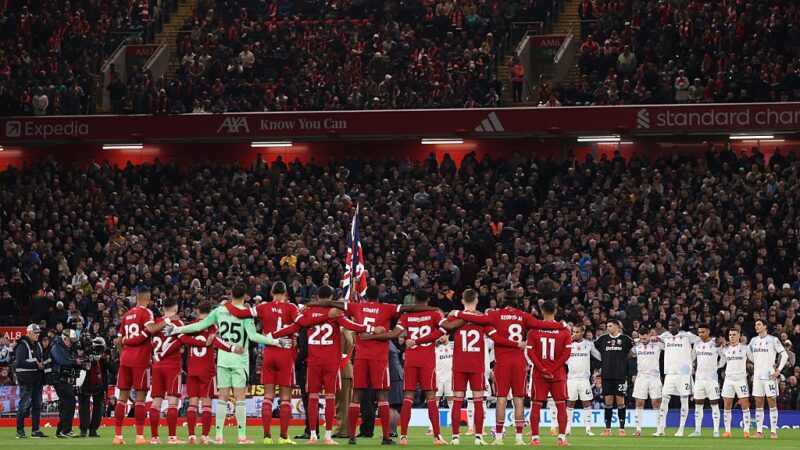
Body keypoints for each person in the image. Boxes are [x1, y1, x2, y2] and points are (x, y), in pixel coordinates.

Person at [170, 283, 289, 444]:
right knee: (240, 399)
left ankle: (219, 435)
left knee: (222, 398)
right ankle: (241, 436)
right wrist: (275, 341)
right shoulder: (246, 315)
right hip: (239, 360)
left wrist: (176, 330)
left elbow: (199, 325)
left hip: (223, 360)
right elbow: (254, 337)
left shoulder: (219, 311)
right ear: (246, 296)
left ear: (231, 293)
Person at [451, 290, 565, 445]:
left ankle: (498, 438)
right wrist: (562, 325)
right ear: (516, 301)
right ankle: (519, 438)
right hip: (519, 361)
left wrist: (458, 312)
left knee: (501, 399)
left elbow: (476, 318)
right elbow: (540, 324)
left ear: (503, 300)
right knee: (518, 399)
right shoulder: (523, 316)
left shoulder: (495, 314)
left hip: (502, 362)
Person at [272, 285, 375, 444]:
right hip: (331, 363)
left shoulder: (307, 312)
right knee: (330, 398)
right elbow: (350, 326)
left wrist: (274, 334)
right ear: (331, 297)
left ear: (317, 297)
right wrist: (370, 328)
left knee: (312, 398)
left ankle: (313, 435)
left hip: (313, 362)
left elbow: (295, 326)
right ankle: (327, 436)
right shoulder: (334, 312)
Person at [365, 290, 446, 445]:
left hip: (410, 359)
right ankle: (437, 436)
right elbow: (443, 330)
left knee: (407, 397)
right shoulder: (434, 314)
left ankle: (403, 436)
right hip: (427, 361)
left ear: (414, 299)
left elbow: (393, 334)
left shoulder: (407, 315)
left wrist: (372, 336)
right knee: (430, 397)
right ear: (428, 299)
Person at [223, 281, 299, 444]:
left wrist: (227, 305)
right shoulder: (292, 308)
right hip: (285, 353)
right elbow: (300, 324)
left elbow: (240, 313)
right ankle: (284, 437)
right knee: (285, 397)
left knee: (268, 396)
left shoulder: (263, 307)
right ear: (286, 293)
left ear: (271, 292)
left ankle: (266, 437)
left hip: (269, 353)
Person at [112, 285, 173, 445]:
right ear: (147, 299)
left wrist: (123, 352)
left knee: (122, 399)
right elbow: (151, 329)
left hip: (125, 359)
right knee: (140, 398)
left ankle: (118, 436)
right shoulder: (146, 312)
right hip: (140, 361)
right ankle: (139, 436)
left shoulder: (126, 315)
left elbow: (119, 340)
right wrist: (167, 320)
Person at [184, 300, 242, 444]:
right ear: (211, 312)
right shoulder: (211, 326)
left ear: (197, 311)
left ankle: (191, 436)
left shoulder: (191, 326)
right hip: (207, 370)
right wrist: (232, 348)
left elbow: (182, 338)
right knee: (206, 402)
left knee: (192, 403)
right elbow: (217, 342)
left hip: (192, 369)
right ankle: (204, 437)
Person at [441, 289, 491, 445]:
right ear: (476, 300)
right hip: (477, 365)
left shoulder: (455, 315)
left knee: (457, 401)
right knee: (478, 401)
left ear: (462, 300)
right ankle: (479, 437)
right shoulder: (483, 319)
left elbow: (445, 324)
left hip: (459, 364)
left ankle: (455, 437)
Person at [526, 300, 572, 446]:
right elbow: (567, 353)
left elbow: (530, 352)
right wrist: (553, 369)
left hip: (539, 373)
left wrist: (542, 369)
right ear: (556, 311)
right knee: (560, 406)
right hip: (557, 373)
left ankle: (535, 439)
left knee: (536, 405)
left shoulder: (534, 330)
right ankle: (562, 438)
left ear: (542, 311)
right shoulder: (564, 330)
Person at [655, 318, 699, 437]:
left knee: (684, 400)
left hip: (684, 374)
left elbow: (700, 341)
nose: (671, 327)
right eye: (669, 325)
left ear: (679, 325)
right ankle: (661, 429)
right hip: (669, 373)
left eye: (673, 325)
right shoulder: (665, 336)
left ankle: (681, 429)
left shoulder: (687, 336)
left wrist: (693, 360)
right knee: (664, 400)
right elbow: (653, 339)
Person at [749, 319, 788, 438]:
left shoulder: (773, 340)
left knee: (772, 402)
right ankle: (759, 432)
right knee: (758, 402)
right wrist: (757, 365)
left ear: (765, 326)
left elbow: (785, 355)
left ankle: (773, 432)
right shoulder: (753, 340)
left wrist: (778, 370)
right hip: (757, 377)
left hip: (770, 376)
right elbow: (750, 354)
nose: (756, 326)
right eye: (755, 324)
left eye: (759, 324)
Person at [594, 319, 634, 436]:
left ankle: (622, 429)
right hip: (607, 375)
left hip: (620, 375)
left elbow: (633, 352)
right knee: (608, 402)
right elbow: (593, 349)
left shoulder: (626, 339)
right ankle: (608, 429)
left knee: (621, 402)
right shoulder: (603, 339)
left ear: (617, 326)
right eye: (607, 326)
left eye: (610, 326)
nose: (608, 328)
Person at [565, 323, 601, 436]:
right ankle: (567, 429)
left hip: (584, 379)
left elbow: (599, 356)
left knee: (586, 403)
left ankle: (588, 429)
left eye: (577, 332)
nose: (574, 334)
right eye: (573, 332)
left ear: (582, 332)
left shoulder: (588, 344)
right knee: (570, 403)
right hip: (571, 379)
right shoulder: (567, 344)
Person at [15, 324, 47, 439]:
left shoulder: (37, 344)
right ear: (28, 333)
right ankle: (20, 430)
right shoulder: (22, 345)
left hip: (36, 379)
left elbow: (38, 360)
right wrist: (36, 365)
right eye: (35, 332)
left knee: (37, 405)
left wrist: (42, 364)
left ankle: (35, 430)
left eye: (38, 332)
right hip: (26, 379)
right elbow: (19, 362)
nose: (38, 334)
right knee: (24, 405)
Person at [690, 324, 723, 437]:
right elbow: (692, 357)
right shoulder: (697, 344)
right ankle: (697, 430)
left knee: (714, 404)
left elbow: (723, 356)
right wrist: (692, 366)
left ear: (708, 331)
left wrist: (719, 366)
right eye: (699, 332)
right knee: (698, 405)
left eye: (703, 332)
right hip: (699, 379)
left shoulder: (715, 343)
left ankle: (716, 430)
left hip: (712, 380)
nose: (701, 334)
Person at [720, 328, 753, 438]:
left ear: (739, 336)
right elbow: (721, 363)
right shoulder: (725, 349)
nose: (732, 337)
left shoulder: (745, 348)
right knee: (727, 405)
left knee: (745, 405)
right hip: (728, 380)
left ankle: (746, 431)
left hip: (741, 380)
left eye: (734, 334)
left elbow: (753, 359)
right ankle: (727, 431)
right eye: (730, 335)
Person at [51, 328, 83, 438]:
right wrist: (75, 362)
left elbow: (69, 360)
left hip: (65, 379)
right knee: (69, 403)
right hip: (59, 379)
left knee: (67, 404)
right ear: (65, 339)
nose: (72, 343)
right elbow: (62, 361)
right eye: (71, 341)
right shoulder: (56, 347)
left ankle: (62, 430)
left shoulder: (67, 348)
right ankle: (65, 430)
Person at [631, 328, 663, 436]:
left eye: (645, 338)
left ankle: (660, 430)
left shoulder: (657, 345)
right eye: (641, 338)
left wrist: (657, 338)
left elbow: (667, 343)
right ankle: (638, 429)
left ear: (649, 335)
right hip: (641, 377)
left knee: (656, 403)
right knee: (639, 402)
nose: (643, 340)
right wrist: (633, 342)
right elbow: (630, 354)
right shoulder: (637, 345)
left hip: (654, 377)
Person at [78, 336, 109, 438]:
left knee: (98, 408)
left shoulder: (105, 355)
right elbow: (80, 363)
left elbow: (113, 369)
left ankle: (93, 430)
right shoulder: (86, 352)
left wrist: (107, 359)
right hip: (85, 382)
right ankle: (83, 429)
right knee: (84, 407)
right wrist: (87, 357)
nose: (99, 349)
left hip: (99, 383)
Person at [333, 329, 356, 438]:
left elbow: (338, 353)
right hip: (348, 369)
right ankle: (345, 430)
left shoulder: (341, 333)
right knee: (346, 403)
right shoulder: (350, 333)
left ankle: (342, 430)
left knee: (341, 403)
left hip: (342, 370)